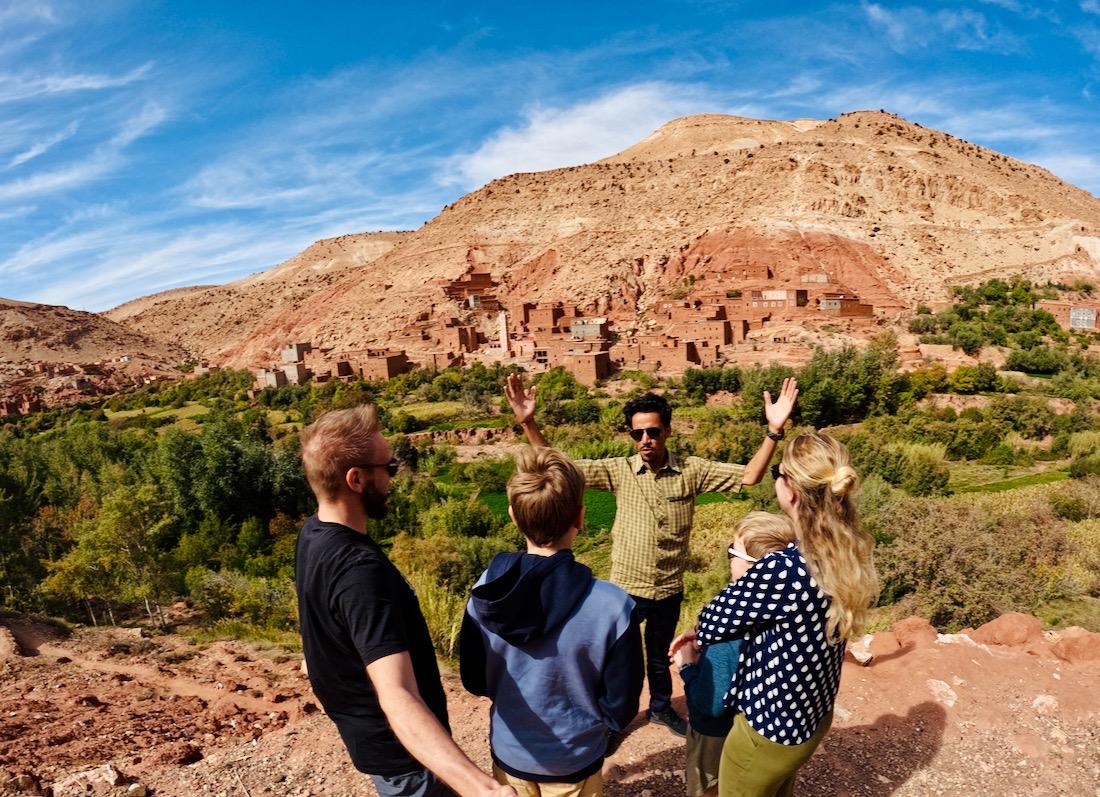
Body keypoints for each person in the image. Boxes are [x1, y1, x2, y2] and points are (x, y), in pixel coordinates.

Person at [504, 373, 798, 736]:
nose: (645, 439)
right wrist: (528, 422)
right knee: (613, 659)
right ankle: (611, 719)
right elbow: (562, 468)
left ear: (667, 431)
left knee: (659, 657)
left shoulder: (692, 470)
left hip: (668, 588)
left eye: (653, 431)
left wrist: (773, 430)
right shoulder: (619, 470)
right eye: (637, 433)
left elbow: (750, 476)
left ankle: (660, 708)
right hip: (626, 588)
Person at [295, 405, 515, 797]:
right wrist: (482, 788)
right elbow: (397, 695)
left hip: (378, 745)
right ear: (356, 479)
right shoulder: (359, 571)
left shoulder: (313, 534)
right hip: (407, 759)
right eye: (390, 468)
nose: (393, 478)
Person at [675, 433, 879, 797]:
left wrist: (694, 645)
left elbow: (712, 621)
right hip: (811, 717)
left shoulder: (784, 569)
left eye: (777, 473)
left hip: (768, 730)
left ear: (792, 492)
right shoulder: (841, 552)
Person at [459, 446, 643, 796]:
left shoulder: (485, 591)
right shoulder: (613, 607)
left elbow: (474, 679)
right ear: (580, 517)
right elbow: (621, 707)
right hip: (575, 759)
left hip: (510, 753)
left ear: (514, 517)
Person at [671, 512, 797, 797]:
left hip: (716, 733)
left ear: (755, 566)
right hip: (765, 730)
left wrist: (687, 666)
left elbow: (710, 704)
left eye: (733, 551)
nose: (729, 558)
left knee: (711, 787)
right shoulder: (786, 609)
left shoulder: (729, 634)